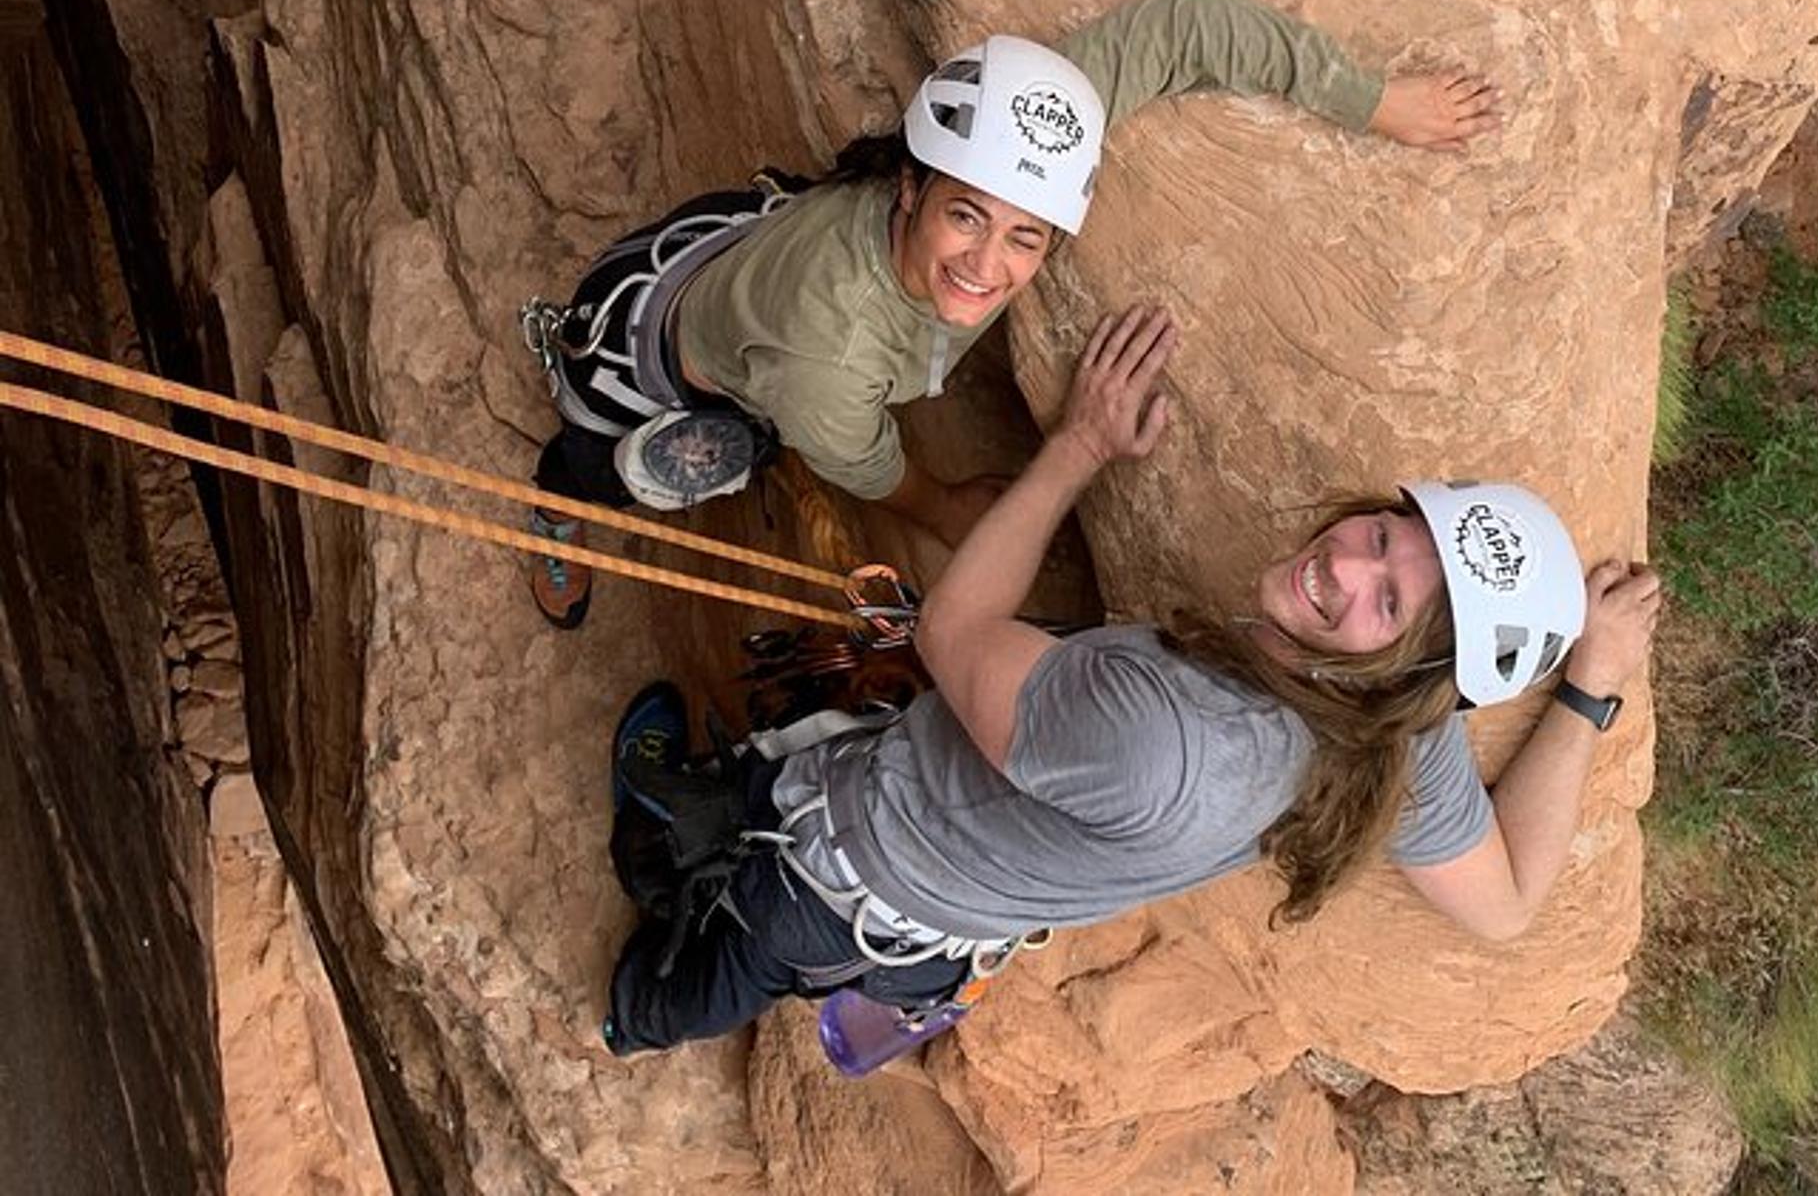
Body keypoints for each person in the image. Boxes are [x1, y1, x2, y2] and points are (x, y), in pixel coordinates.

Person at [598, 305, 1661, 1055]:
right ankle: (665, 833)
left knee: (717, 966)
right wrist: (1587, 690)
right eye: (1382, 537)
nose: (1342, 566)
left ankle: (631, 1013)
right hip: (928, 890)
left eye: (1386, 602)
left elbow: (954, 630)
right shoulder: (1401, 736)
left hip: (849, 870)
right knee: (727, 800)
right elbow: (1508, 903)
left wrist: (1080, 447)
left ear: (1411, 665)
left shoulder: (1164, 737)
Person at [520, 0, 1503, 628]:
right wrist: (943, 506)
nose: (986, 266)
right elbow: (862, 463)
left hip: (731, 247)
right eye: (966, 220)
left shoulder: (1003, 148)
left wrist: (1368, 99)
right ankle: (561, 504)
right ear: (910, 187)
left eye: (1024, 236)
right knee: (659, 458)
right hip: (652, 359)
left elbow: (1177, 29)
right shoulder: (829, 357)